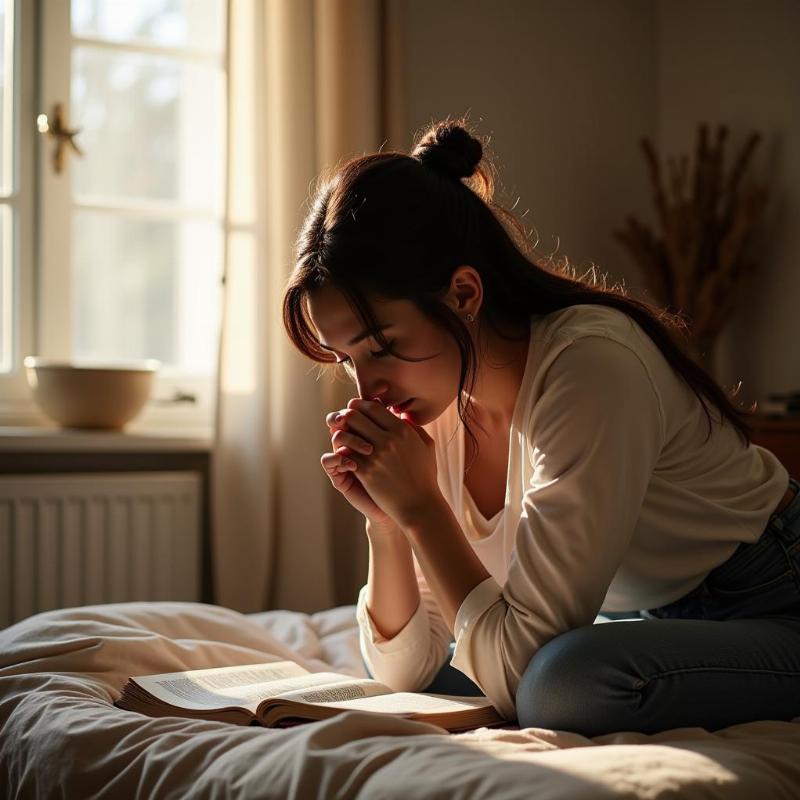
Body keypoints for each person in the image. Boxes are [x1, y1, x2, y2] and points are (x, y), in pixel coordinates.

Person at [281, 118, 800, 735]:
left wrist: (424, 509)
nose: (370, 390)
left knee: (562, 686)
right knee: (465, 678)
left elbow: (527, 673)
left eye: (383, 344)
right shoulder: (438, 392)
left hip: (765, 596)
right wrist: (388, 522)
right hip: (633, 615)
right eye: (349, 360)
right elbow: (405, 673)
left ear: (464, 295)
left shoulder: (590, 368)